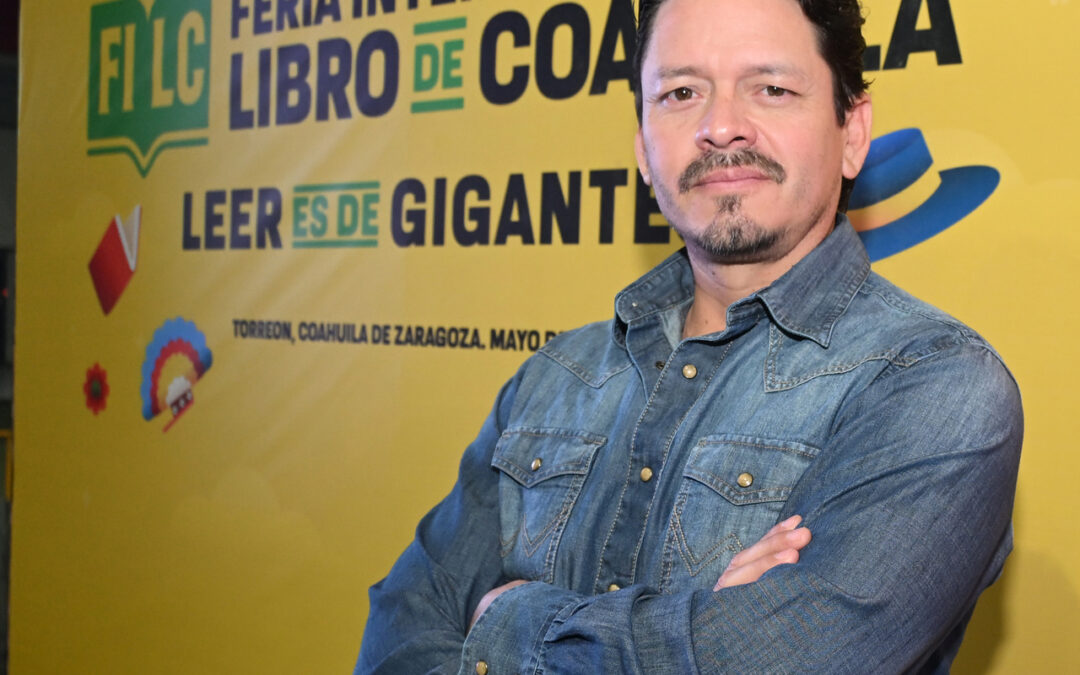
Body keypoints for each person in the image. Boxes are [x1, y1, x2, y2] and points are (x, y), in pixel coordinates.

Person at [356, 0, 1023, 672]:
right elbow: (397, 636)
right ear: (643, 150)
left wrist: (508, 617)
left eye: (771, 88)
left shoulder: (935, 385)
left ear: (852, 133)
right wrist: (698, 621)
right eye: (681, 93)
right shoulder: (555, 378)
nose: (721, 126)